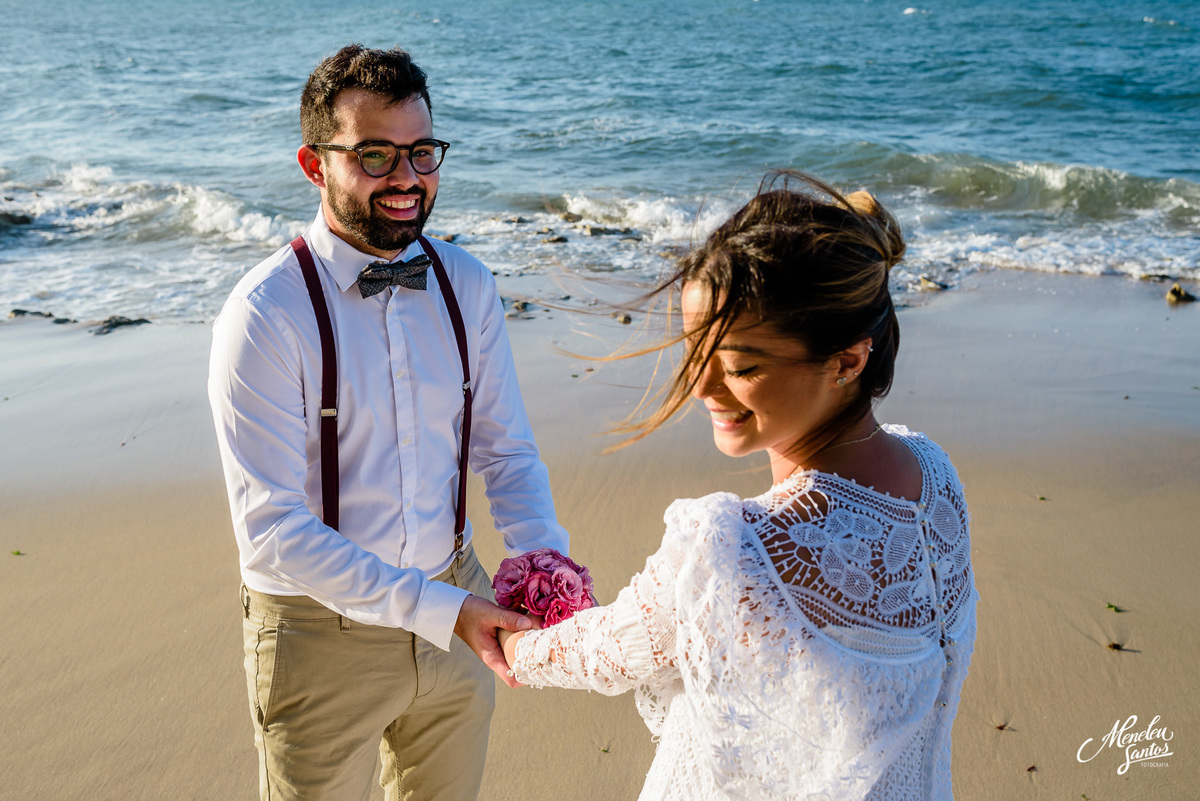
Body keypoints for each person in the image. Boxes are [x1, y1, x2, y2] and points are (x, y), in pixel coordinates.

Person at [500, 172, 977, 800]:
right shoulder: (935, 477)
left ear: (848, 360)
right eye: (696, 352)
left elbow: (605, 652)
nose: (702, 387)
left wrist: (504, 639)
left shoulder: (734, 546)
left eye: (742, 367)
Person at [207, 44, 567, 801]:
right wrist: (450, 611)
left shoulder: (466, 282)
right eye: (375, 155)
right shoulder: (265, 313)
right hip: (316, 632)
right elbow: (273, 529)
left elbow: (505, 451)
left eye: (421, 152)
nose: (407, 178)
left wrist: (546, 567)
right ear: (316, 165)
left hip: (457, 597)